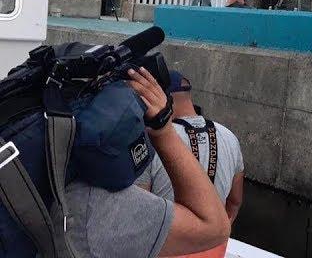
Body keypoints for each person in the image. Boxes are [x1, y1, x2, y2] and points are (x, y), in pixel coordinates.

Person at [50, 67, 230, 258]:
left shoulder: (34, 172)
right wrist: (163, 130)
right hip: (190, 239)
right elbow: (225, 214)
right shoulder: (229, 136)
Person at [137, 71, 244, 258]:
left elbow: (139, 210)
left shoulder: (150, 141)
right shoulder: (230, 137)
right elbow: (234, 202)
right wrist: (213, 235)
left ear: (164, 98)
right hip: (214, 249)